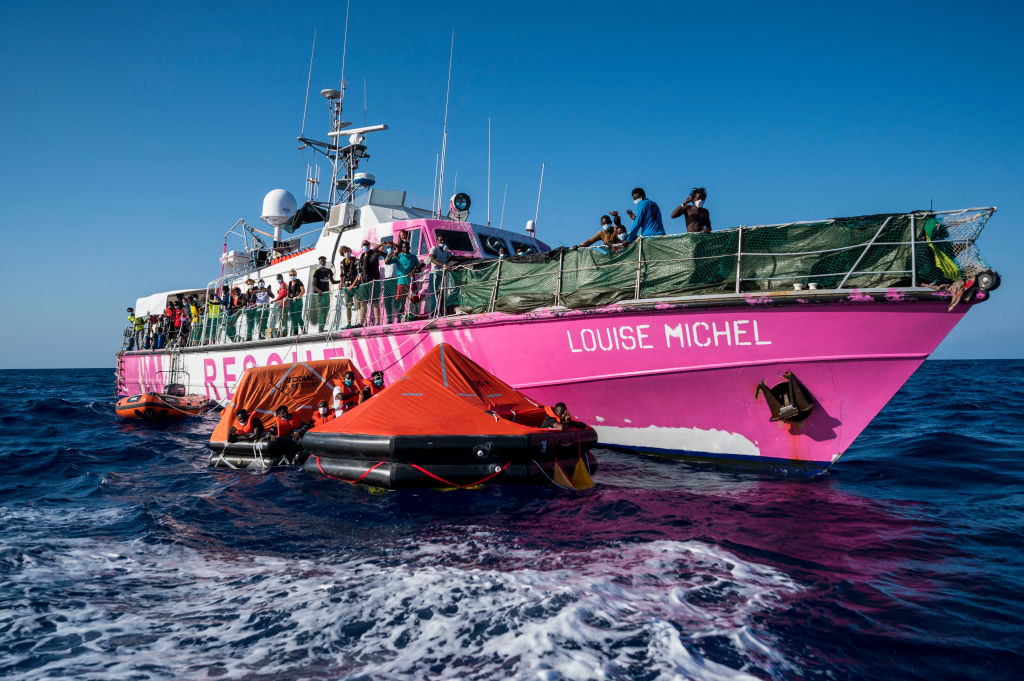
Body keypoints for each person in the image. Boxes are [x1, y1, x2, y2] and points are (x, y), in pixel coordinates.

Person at [389, 241, 421, 321]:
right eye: (404, 247)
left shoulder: (413, 257)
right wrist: (392, 255)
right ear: (401, 248)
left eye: (407, 247)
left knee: (414, 300)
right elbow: (387, 262)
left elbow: (419, 269)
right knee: (401, 302)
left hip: (412, 281)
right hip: (402, 282)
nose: (405, 248)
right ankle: (400, 318)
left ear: (409, 248)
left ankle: (414, 317)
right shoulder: (398, 256)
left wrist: (414, 271)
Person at [355, 240, 383, 327]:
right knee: (363, 303)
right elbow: (359, 271)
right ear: (361, 246)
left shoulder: (373, 253)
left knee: (374, 302)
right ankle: (361, 323)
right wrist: (358, 282)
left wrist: (370, 244)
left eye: (366, 244)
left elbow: (381, 247)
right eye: (363, 245)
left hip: (373, 281)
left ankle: (378, 322)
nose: (365, 246)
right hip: (363, 282)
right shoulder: (361, 256)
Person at [310, 256, 339, 331]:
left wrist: (340, 281)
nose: (323, 262)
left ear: (326, 262)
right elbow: (313, 284)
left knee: (326, 310)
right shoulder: (317, 271)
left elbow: (332, 282)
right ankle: (320, 329)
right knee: (320, 311)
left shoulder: (329, 271)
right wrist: (319, 291)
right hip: (318, 294)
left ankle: (322, 328)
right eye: (321, 261)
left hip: (326, 294)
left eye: (324, 261)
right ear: (319, 262)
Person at [428, 234, 454, 315]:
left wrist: (468, 258)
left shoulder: (445, 252)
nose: (442, 242)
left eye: (443, 240)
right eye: (440, 240)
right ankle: (433, 315)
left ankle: (441, 313)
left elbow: (454, 258)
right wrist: (443, 265)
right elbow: (431, 259)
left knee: (442, 295)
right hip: (435, 274)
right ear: (436, 241)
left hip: (443, 275)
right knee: (435, 296)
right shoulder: (434, 249)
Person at [339, 246, 360, 327]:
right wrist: (341, 284)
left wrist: (353, 284)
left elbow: (358, 273)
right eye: (345, 252)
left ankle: (359, 322)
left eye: (348, 251)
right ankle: (349, 323)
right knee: (348, 306)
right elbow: (342, 275)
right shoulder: (342, 262)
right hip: (346, 287)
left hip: (355, 286)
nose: (347, 253)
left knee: (358, 304)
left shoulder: (356, 261)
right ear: (342, 253)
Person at [287, 269, 305, 335]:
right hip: (291, 301)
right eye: (291, 275)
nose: (292, 276)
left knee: (298, 316)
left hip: (297, 300)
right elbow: (289, 293)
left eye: (294, 275)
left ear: (296, 275)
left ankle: (303, 330)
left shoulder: (299, 282)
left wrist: (297, 297)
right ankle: (296, 332)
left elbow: (303, 291)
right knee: (293, 316)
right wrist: (286, 298)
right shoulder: (289, 283)